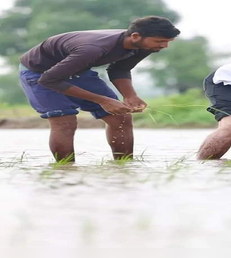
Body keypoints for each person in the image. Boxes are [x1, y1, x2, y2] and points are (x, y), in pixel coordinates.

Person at [19, 16, 180, 161]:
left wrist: (130, 95)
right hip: (39, 73)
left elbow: (119, 69)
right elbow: (50, 79)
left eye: (167, 42)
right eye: (159, 41)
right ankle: (65, 170)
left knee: (121, 117)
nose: (164, 46)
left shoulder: (143, 45)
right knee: (64, 121)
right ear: (135, 36)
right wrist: (103, 100)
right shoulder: (92, 48)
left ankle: (124, 166)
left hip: (77, 70)